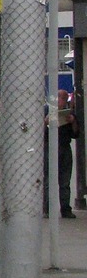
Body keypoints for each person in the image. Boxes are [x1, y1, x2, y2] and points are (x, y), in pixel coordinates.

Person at [56, 89, 77, 218]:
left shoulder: (69, 113)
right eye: (59, 98)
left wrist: (72, 121)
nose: (61, 101)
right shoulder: (47, 111)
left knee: (65, 181)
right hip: (51, 147)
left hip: (64, 147)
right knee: (48, 179)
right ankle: (47, 208)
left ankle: (65, 208)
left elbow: (75, 134)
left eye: (64, 99)